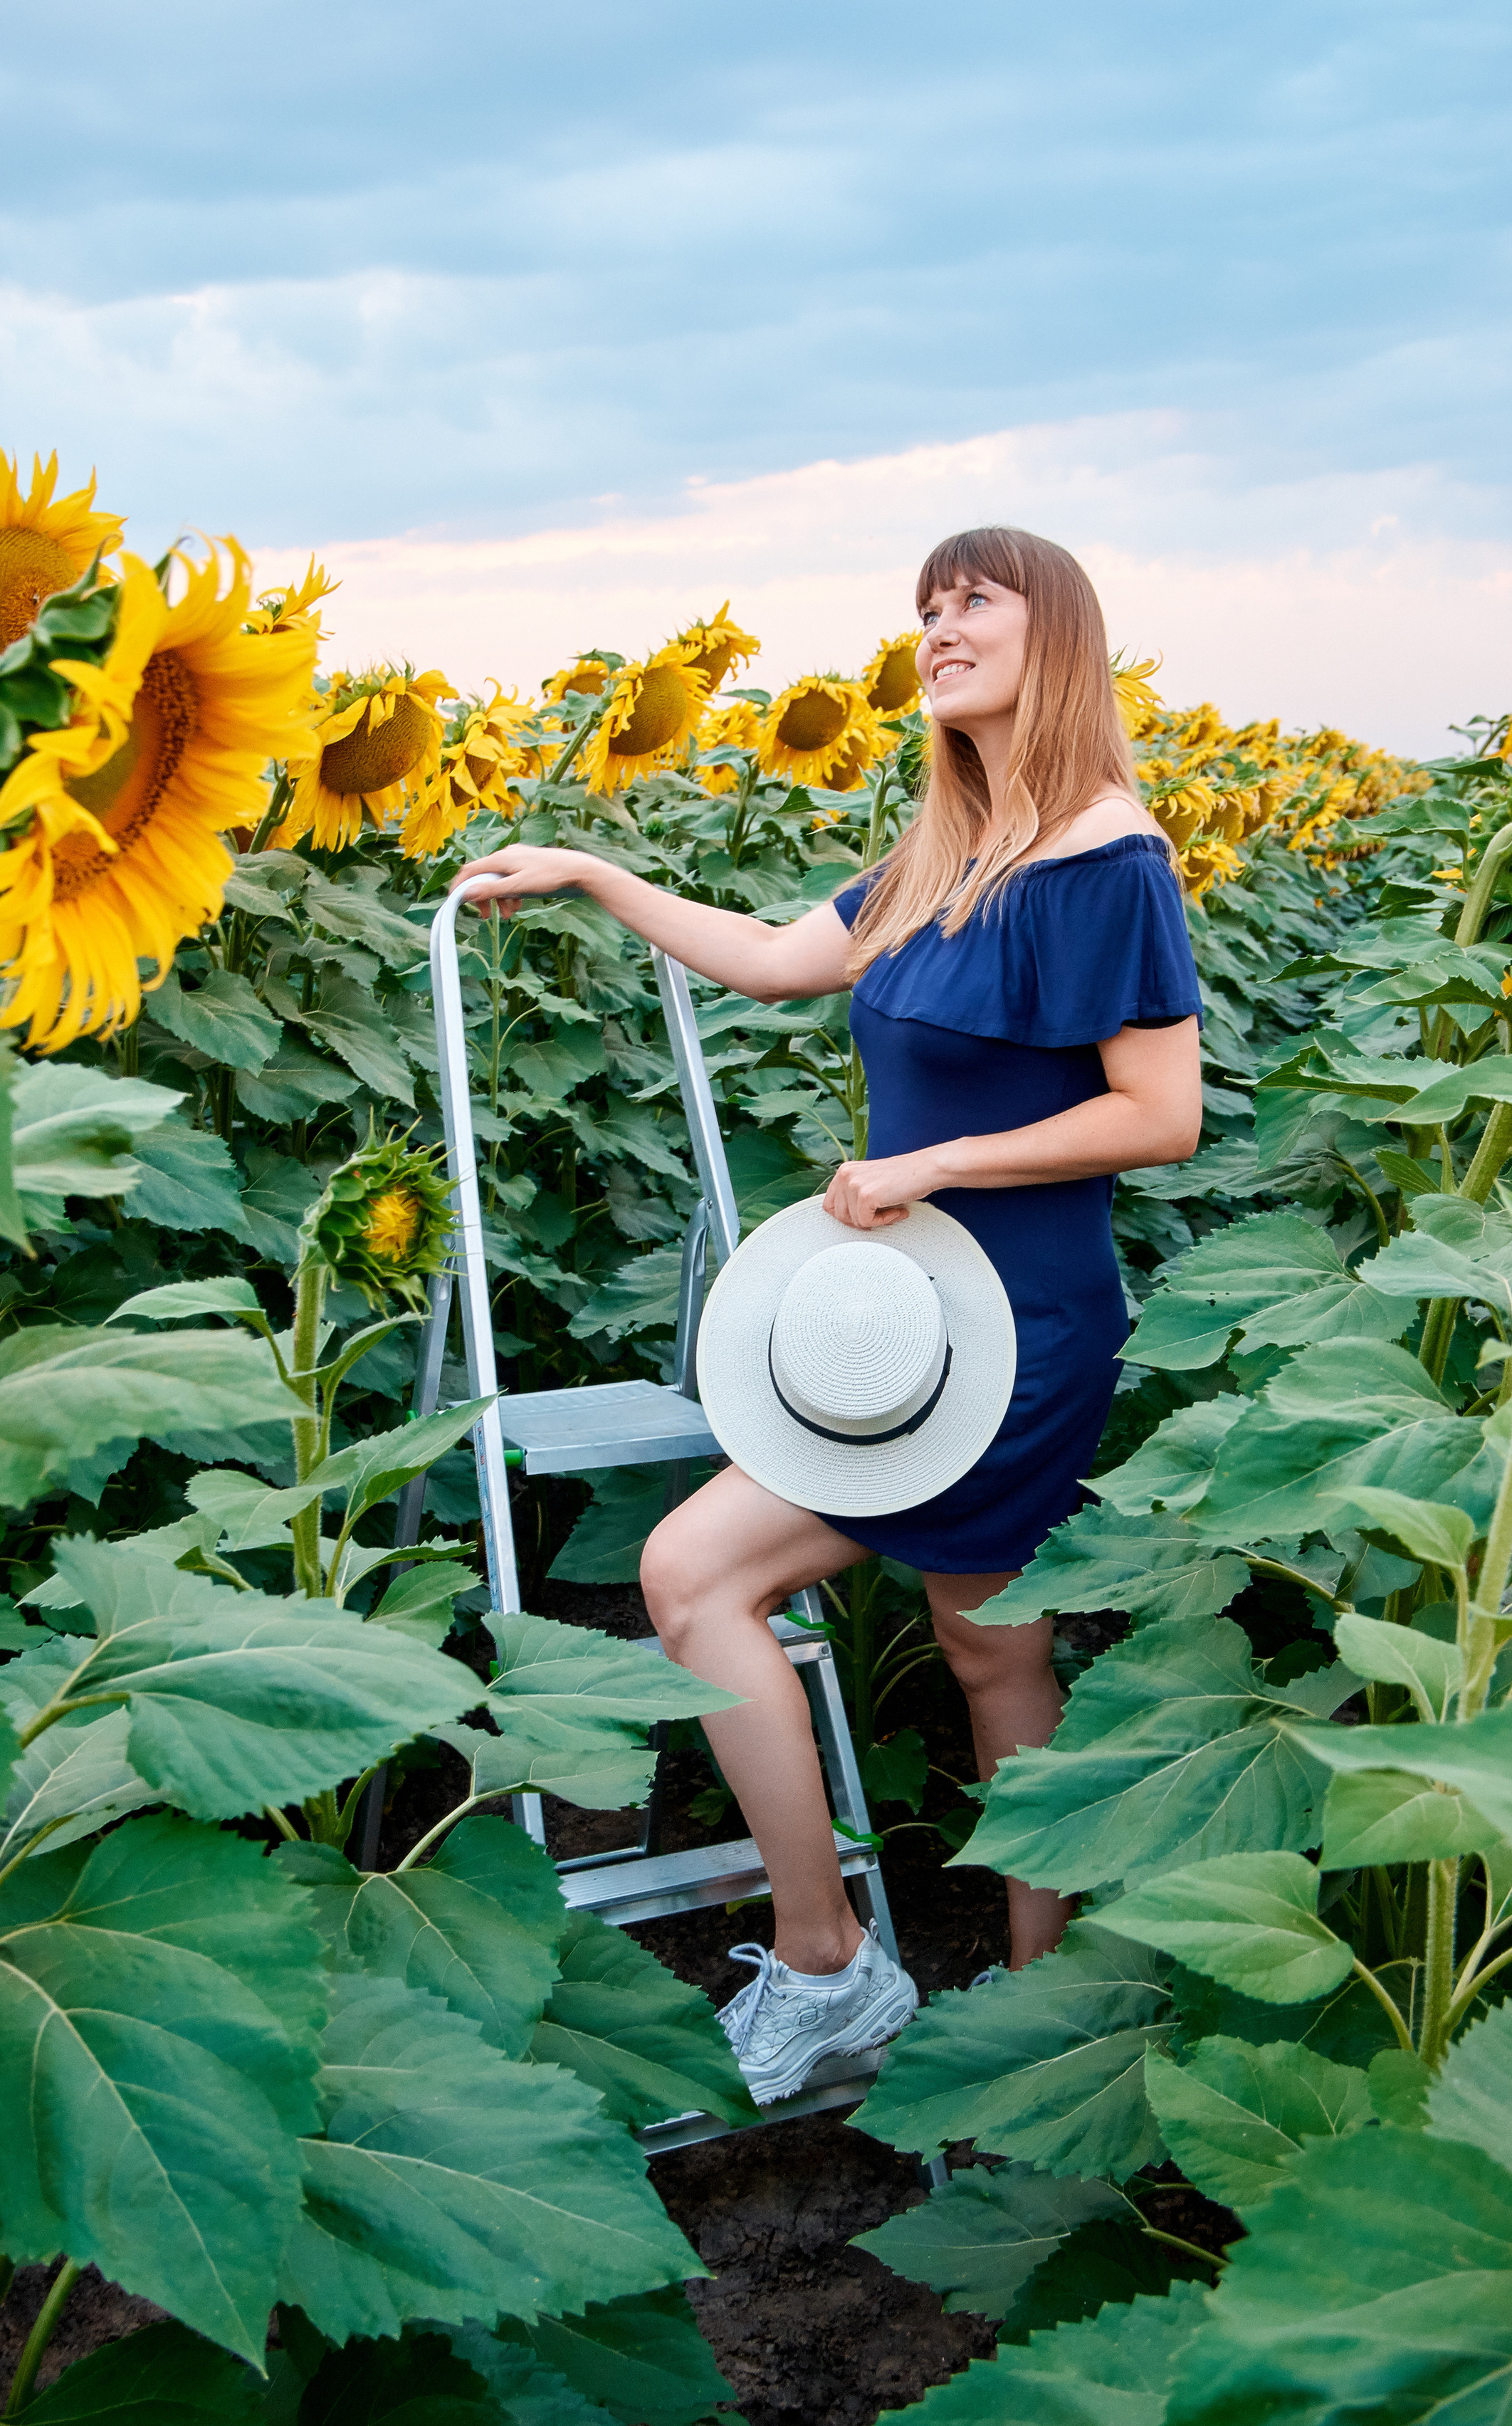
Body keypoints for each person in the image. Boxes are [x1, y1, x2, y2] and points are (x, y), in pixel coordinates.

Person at [455, 525, 1204, 2100]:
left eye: (970, 602)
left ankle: (1029, 2012)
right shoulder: (946, 853)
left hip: (1017, 1326)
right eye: (922, 607)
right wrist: (592, 871)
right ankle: (832, 1959)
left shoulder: (1102, 855)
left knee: (985, 1652)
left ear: (1051, 632)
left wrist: (928, 1159)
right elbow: (763, 960)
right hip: (898, 1329)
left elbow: (1158, 1113)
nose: (936, 627)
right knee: (709, 1578)